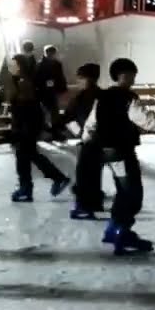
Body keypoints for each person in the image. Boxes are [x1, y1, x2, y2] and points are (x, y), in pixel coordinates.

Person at [81, 58, 155, 255]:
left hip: (105, 151)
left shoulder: (102, 96)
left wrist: (88, 143)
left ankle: (113, 229)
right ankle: (121, 232)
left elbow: (90, 123)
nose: (133, 79)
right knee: (132, 193)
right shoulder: (127, 97)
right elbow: (145, 119)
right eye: (131, 75)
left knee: (123, 191)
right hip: (121, 150)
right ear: (122, 75)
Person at [0, 54, 70, 202]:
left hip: (28, 125)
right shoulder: (12, 82)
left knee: (24, 156)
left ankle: (31, 187)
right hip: (21, 125)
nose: (10, 67)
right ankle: (46, 182)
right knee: (29, 155)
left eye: (13, 65)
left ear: (21, 67)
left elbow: (32, 108)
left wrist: (28, 129)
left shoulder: (27, 84)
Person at [63, 64, 105, 219]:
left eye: (82, 78)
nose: (79, 81)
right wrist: (80, 133)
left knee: (85, 173)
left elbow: (68, 117)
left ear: (92, 78)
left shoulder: (84, 97)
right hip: (96, 139)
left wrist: (80, 133)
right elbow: (69, 117)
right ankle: (94, 202)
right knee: (93, 172)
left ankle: (85, 205)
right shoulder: (86, 96)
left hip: (93, 140)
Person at [35, 45, 68, 133]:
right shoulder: (56, 64)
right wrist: (62, 88)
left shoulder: (39, 64)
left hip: (43, 90)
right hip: (50, 90)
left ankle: (48, 127)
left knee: (47, 109)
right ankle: (53, 127)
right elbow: (60, 77)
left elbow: (37, 78)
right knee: (53, 109)